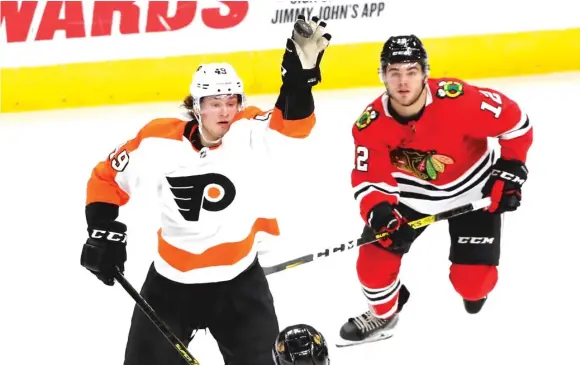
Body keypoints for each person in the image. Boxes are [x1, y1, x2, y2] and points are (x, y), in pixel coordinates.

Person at [80, 16, 331, 365]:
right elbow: (105, 178)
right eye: (214, 103)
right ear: (196, 106)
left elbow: (293, 124)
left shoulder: (248, 131)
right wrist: (100, 229)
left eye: (232, 101)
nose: (225, 111)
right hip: (171, 284)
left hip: (239, 284)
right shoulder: (158, 139)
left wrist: (299, 80)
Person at [338, 34, 533, 347]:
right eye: (395, 73)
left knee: (472, 287)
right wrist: (380, 212)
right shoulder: (370, 124)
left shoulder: (460, 99)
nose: (403, 82)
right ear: (382, 76)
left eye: (411, 71)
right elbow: (368, 179)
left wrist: (511, 169)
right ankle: (385, 313)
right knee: (372, 270)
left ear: (425, 73)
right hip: (409, 198)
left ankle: (474, 282)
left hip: (473, 192)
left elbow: (517, 124)